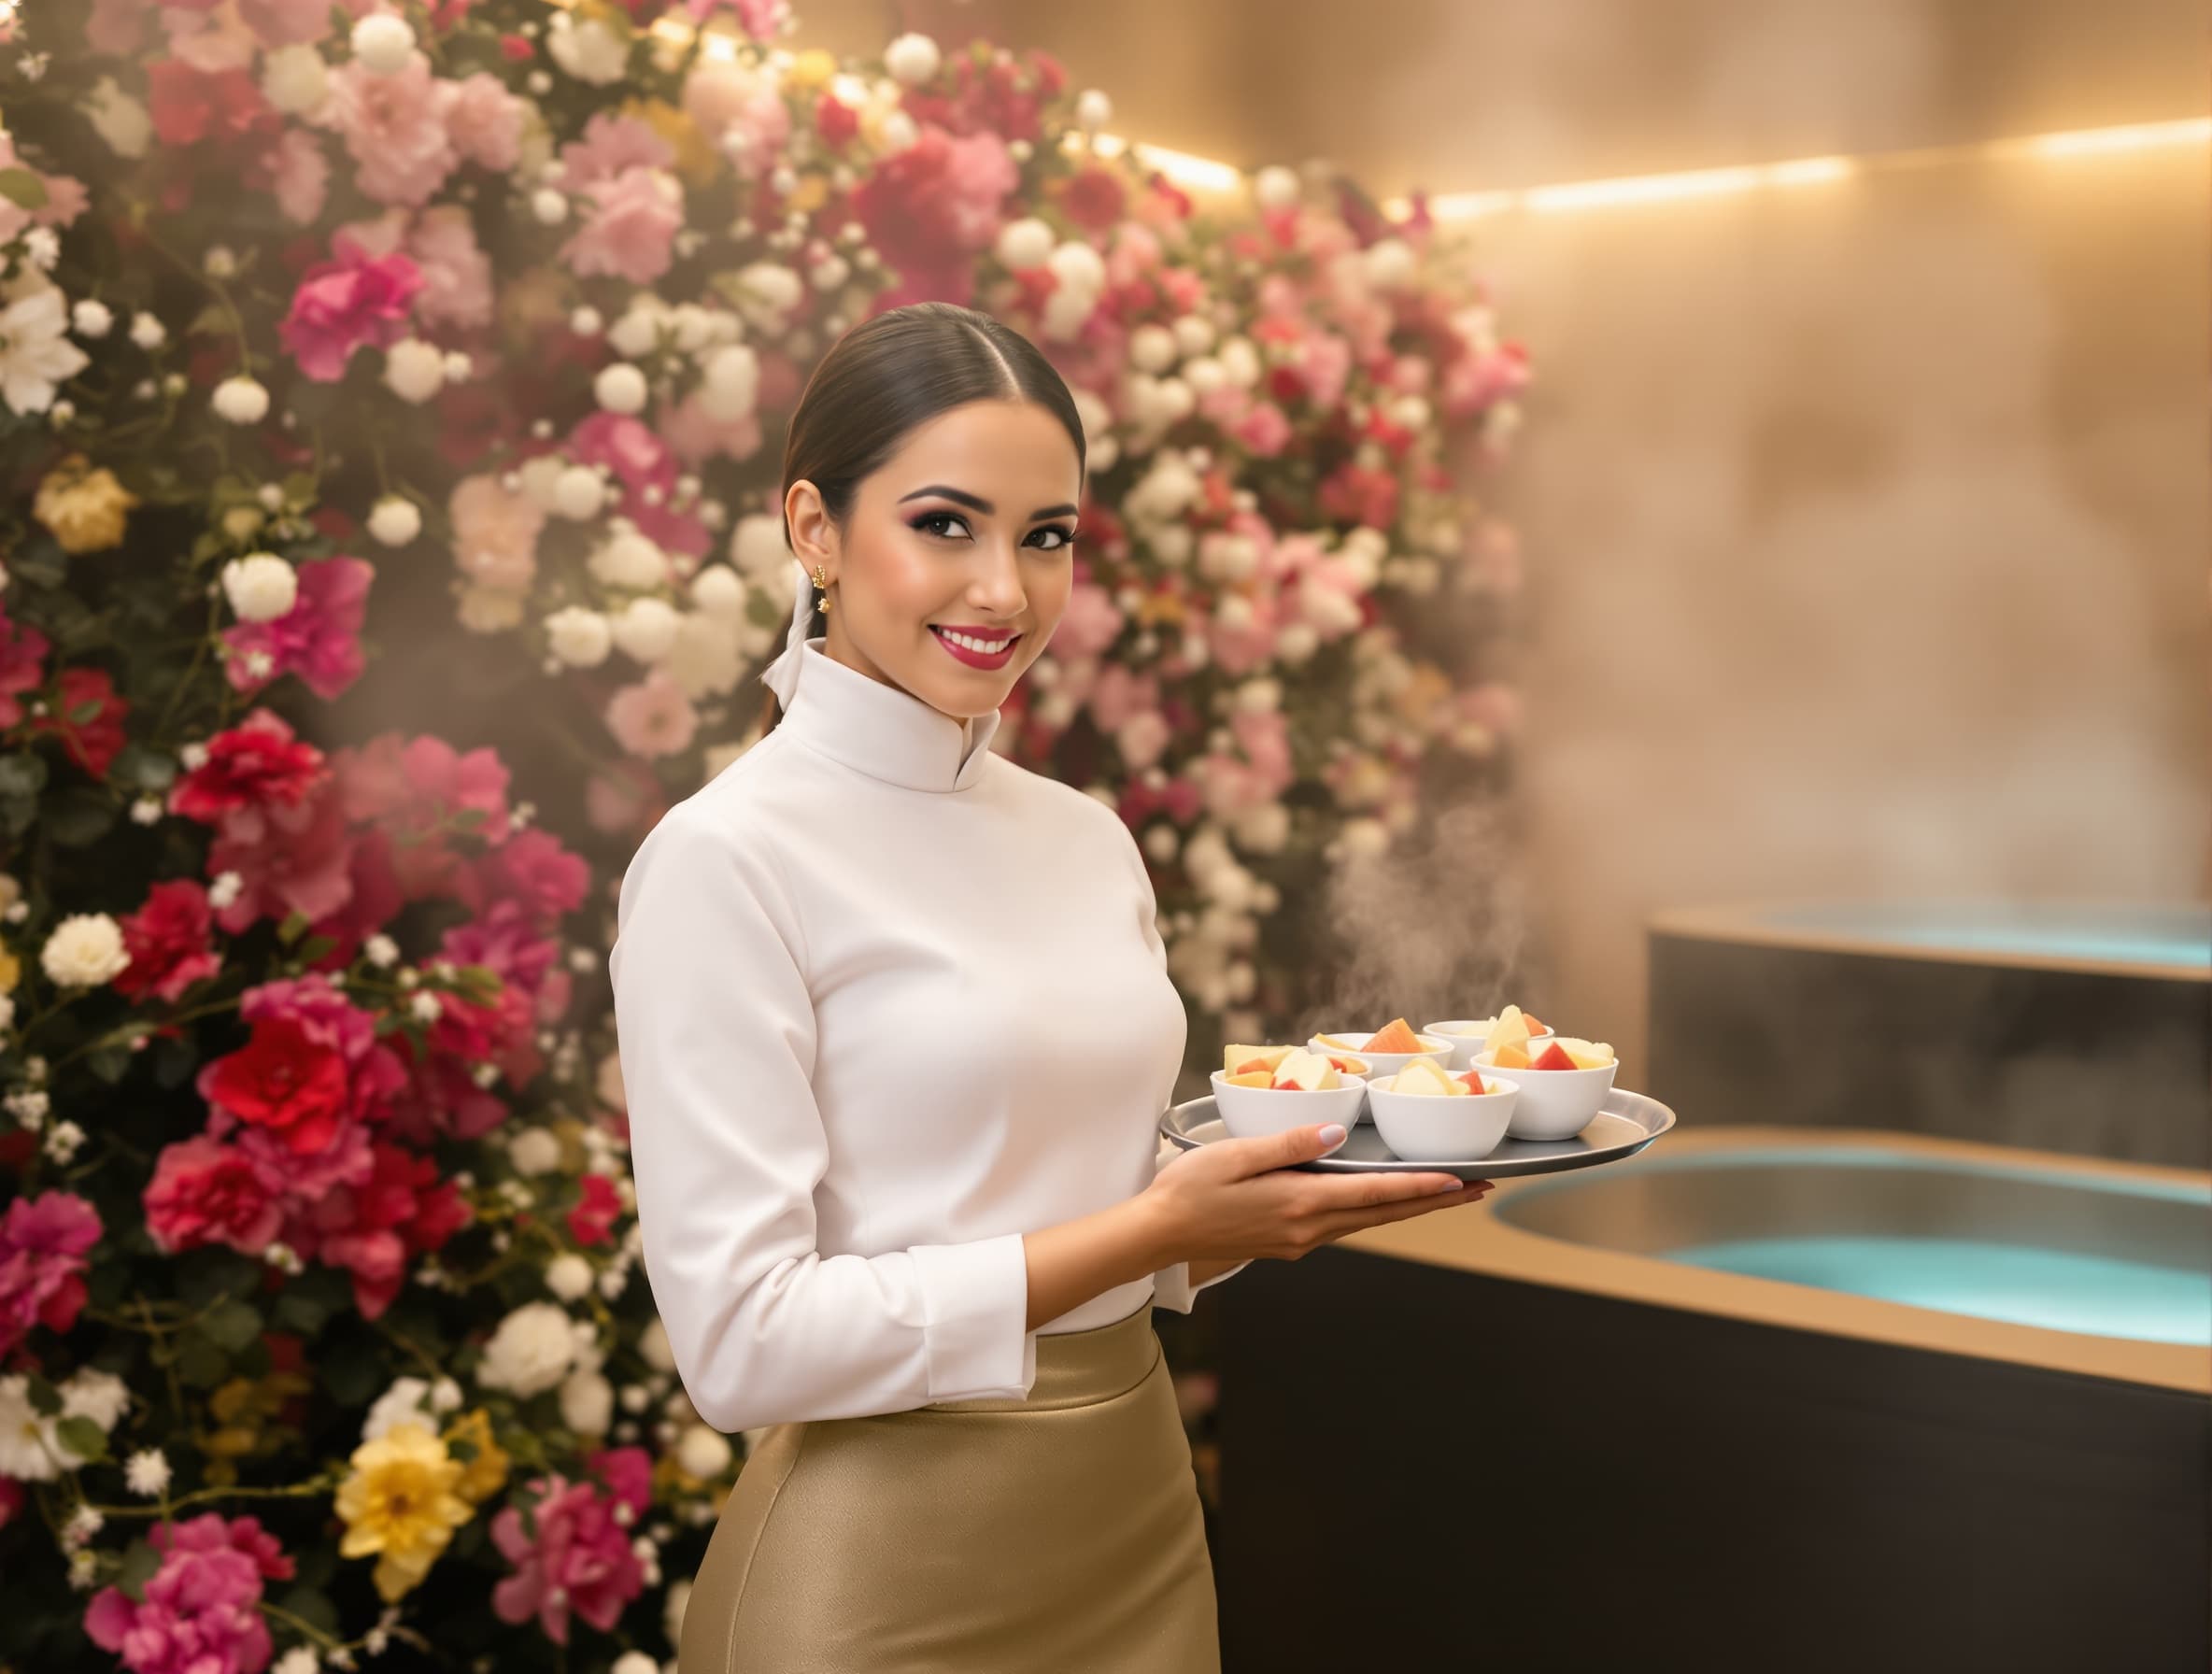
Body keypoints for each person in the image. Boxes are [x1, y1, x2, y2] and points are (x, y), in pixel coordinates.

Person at [609, 302, 1494, 1673]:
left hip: (1132, 1520)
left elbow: (1075, 1196)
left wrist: (1256, 1216)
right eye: (945, 524)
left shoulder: (1084, 838)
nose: (1005, 593)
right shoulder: (725, 860)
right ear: (814, 530)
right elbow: (744, 1349)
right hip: (879, 1578)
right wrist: (1153, 1235)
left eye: (1047, 537)